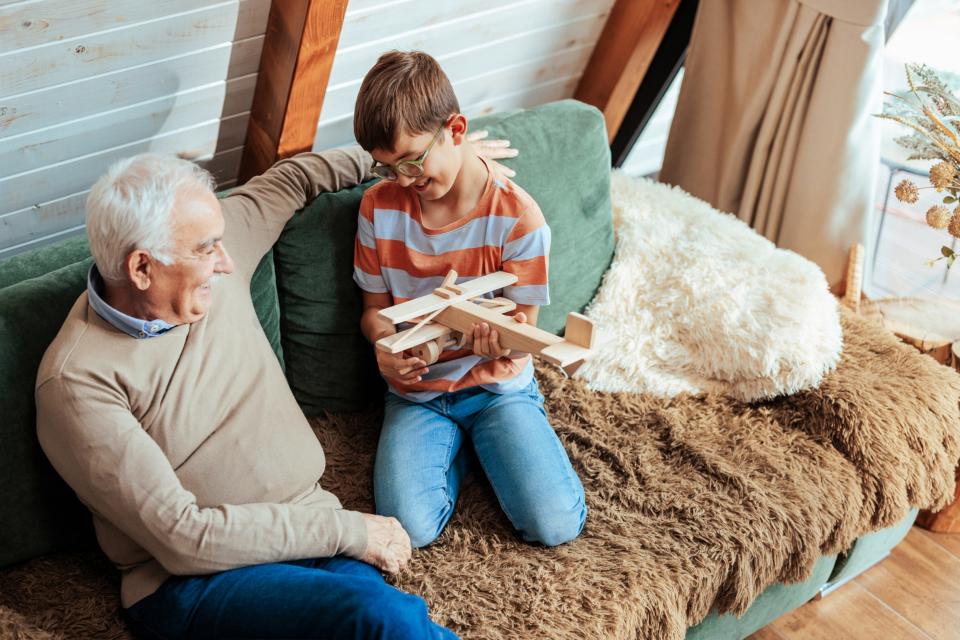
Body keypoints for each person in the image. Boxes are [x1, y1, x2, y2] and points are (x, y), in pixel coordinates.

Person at [34, 146, 487, 639]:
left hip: (311, 531)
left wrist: (420, 160)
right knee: (378, 617)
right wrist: (348, 531)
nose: (227, 263)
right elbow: (184, 539)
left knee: (378, 615)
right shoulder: (77, 383)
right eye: (208, 249)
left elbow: (293, 179)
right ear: (142, 269)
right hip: (197, 583)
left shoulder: (200, 244)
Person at [352, 50, 587, 549]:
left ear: (456, 130)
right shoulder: (378, 206)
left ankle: (488, 436)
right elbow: (374, 313)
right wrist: (386, 349)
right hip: (418, 394)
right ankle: (461, 449)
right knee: (409, 530)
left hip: (496, 387)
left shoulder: (518, 217)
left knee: (554, 525)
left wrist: (498, 345)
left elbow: (523, 333)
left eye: (414, 161)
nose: (405, 180)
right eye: (388, 167)